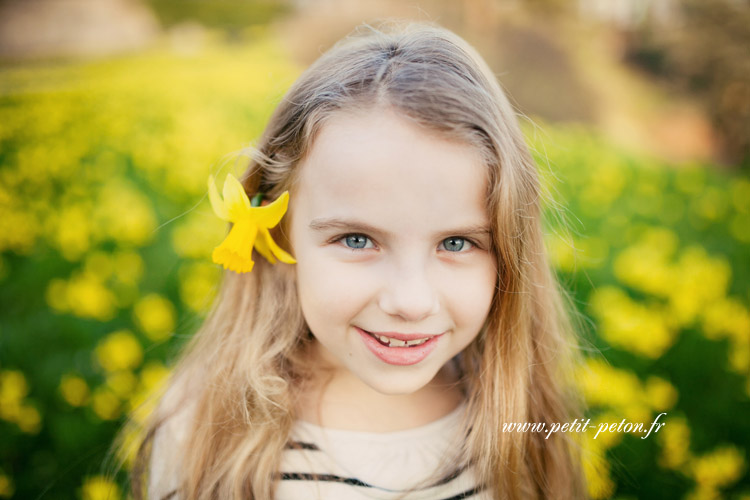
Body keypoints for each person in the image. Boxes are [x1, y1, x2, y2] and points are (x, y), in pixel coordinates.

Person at [127, 21, 588, 500]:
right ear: (279, 234)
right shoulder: (204, 430)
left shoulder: (526, 427)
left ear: (509, 254)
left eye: (456, 243)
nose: (409, 301)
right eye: (356, 240)